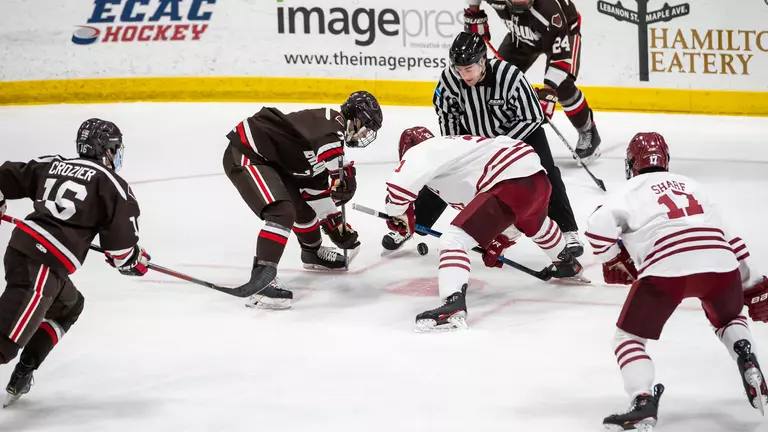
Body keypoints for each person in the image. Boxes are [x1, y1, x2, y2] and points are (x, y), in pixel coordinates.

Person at [585, 132, 768, 430]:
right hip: (721, 263)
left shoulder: (629, 189)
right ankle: (746, 356)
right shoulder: (694, 185)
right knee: (729, 319)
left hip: (667, 267)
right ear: (666, 160)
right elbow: (732, 239)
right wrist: (754, 283)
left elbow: (596, 230)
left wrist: (613, 256)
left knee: (628, 339)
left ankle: (643, 401)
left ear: (632, 163)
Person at [382, 32, 584, 259]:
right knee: (442, 174)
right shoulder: (449, 81)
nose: (463, 74)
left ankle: (568, 231)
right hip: (474, 141)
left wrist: (501, 146)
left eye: (468, 69)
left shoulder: (510, 76)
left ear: (482, 62)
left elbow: (532, 117)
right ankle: (412, 224)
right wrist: (456, 151)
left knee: (547, 172)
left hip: (520, 135)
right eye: (458, 69)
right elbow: (448, 119)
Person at [0, 118, 151, 407]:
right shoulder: (113, 185)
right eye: (114, 149)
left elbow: (4, 175)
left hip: (24, 251)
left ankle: (23, 372)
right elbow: (121, 253)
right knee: (3, 343)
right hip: (41, 265)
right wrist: (135, 260)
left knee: (69, 307)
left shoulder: (53, 164)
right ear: (106, 151)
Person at [385, 126, 586, 332]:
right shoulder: (456, 151)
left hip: (508, 179)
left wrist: (399, 216)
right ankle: (566, 262)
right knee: (536, 223)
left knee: (453, 241)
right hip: (535, 176)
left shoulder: (422, 150)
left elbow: (398, 189)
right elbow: (499, 209)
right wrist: (502, 237)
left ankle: (452, 304)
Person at [223, 91, 383, 309]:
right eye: (366, 126)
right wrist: (341, 172)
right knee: (282, 212)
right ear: (356, 118)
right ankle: (261, 282)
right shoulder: (330, 120)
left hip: (273, 163)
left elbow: (314, 189)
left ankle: (312, 252)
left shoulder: (329, 144)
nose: (365, 133)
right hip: (248, 151)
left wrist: (335, 225)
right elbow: (327, 143)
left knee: (304, 209)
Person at [463, 0, 601, 163]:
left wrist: (548, 93)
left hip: (564, 29)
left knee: (562, 86)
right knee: (498, 80)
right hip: (521, 36)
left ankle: (588, 132)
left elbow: (561, 59)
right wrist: (475, 11)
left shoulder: (549, 10)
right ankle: (502, 135)